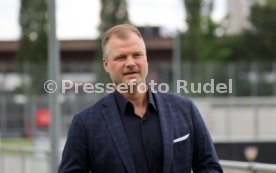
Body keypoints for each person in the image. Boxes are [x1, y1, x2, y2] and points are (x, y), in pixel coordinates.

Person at [58, 24, 223, 173]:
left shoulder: (185, 109)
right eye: (121, 57)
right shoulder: (85, 123)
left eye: (136, 55)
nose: (130, 63)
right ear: (106, 64)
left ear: (146, 59)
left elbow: (209, 166)